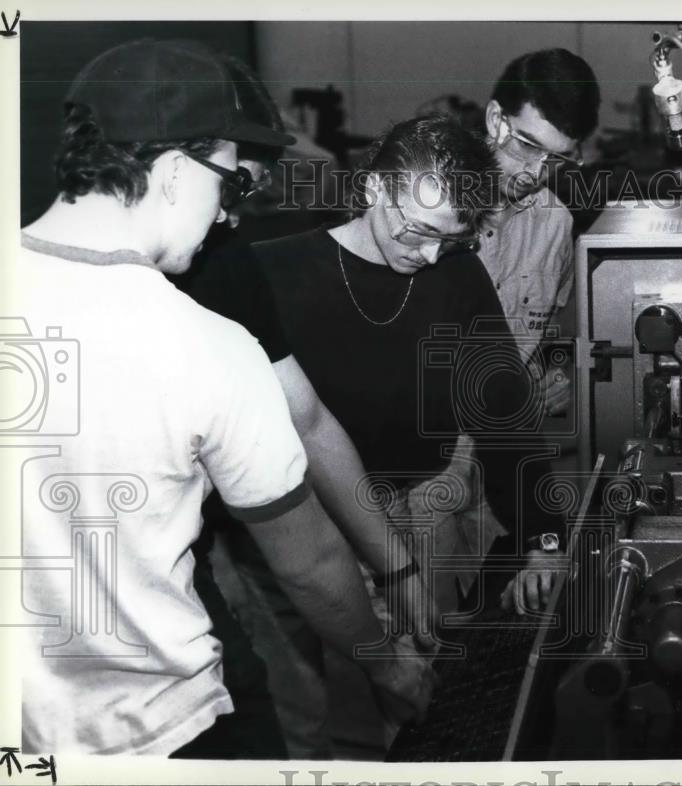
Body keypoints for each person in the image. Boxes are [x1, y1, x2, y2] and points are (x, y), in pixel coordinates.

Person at [18, 38, 432, 756]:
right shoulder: (206, 346)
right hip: (167, 728)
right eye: (229, 187)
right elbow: (310, 566)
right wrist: (387, 660)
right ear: (177, 172)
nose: (226, 218)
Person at [190, 114, 568, 753]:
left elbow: (502, 411)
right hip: (283, 532)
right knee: (299, 718)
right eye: (417, 231)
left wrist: (544, 538)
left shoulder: (456, 276)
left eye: (446, 240)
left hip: (414, 516)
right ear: (374, 190)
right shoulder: (266, 272)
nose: (425, 257)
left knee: (411, 707)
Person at [480, 48, 600, 419]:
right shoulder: (425, 208)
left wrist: (557, 375)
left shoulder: (555, 223)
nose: (536, 173)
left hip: (506, 437)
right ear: (496, 119)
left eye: (557, 159)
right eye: (528, 146)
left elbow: (551, 330)